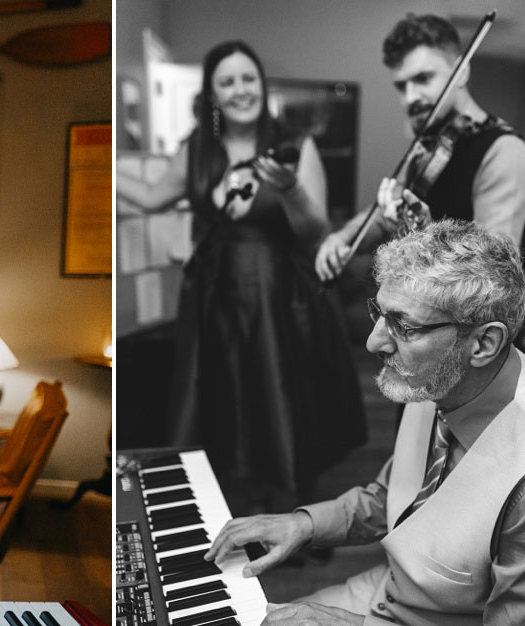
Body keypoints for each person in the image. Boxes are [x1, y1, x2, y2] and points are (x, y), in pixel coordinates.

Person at [207, 220, 525, 626]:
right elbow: (398, 493)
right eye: (379, 314)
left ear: (484, 343)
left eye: (403, 325)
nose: (374, 341)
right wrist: (304, 525)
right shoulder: (441, 376)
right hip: (387, 599)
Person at [115, 41, 364, 511]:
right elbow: (151, 196)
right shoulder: (197, 150)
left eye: (248, 78)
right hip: (214, 297)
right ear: (212, 92)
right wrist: (103, 166)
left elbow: (314, 232)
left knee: (277, 396)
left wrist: (290, 191)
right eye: (227, 82)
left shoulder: (295, 146)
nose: (240, 90)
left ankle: (286, 505)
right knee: (220, 398)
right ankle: (227, 506)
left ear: (261, 83)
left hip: (280, 295)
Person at [316, 13, 525, 281]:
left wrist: (417, 236)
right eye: (401, 86)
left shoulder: (504, 154)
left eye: (423, 79)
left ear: (462, 72)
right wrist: (342, 237)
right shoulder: (432, 145)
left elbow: (491, 276)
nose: (410, 97)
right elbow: (384, 209)